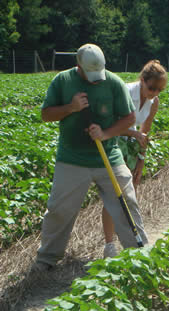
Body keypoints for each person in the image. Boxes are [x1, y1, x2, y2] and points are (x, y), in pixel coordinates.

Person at [33, 43, 149, 271]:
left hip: (109, 156)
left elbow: (128, 118)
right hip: (71, 158)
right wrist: (71, 107)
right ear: (79, 66)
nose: (97, 79)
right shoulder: (62, 81)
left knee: (127, 203)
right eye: (91, 74)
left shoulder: (113, 83)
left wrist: (105, 134)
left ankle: (140, 256)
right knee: (58, 210)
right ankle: (46, 259)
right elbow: (46, 114)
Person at [102, 60, 168, 258]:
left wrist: (141, 160)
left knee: (128, 196)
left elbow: (144, 132)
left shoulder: (153, 102)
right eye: (152, 88)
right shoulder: (125, 91)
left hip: (129, 149)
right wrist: (133, 135)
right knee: (114, 195)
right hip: (111, 144)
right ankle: (109, 245)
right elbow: (109, 124)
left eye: (159, 90)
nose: (155, 93)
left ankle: (130, 244)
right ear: (142, 80)